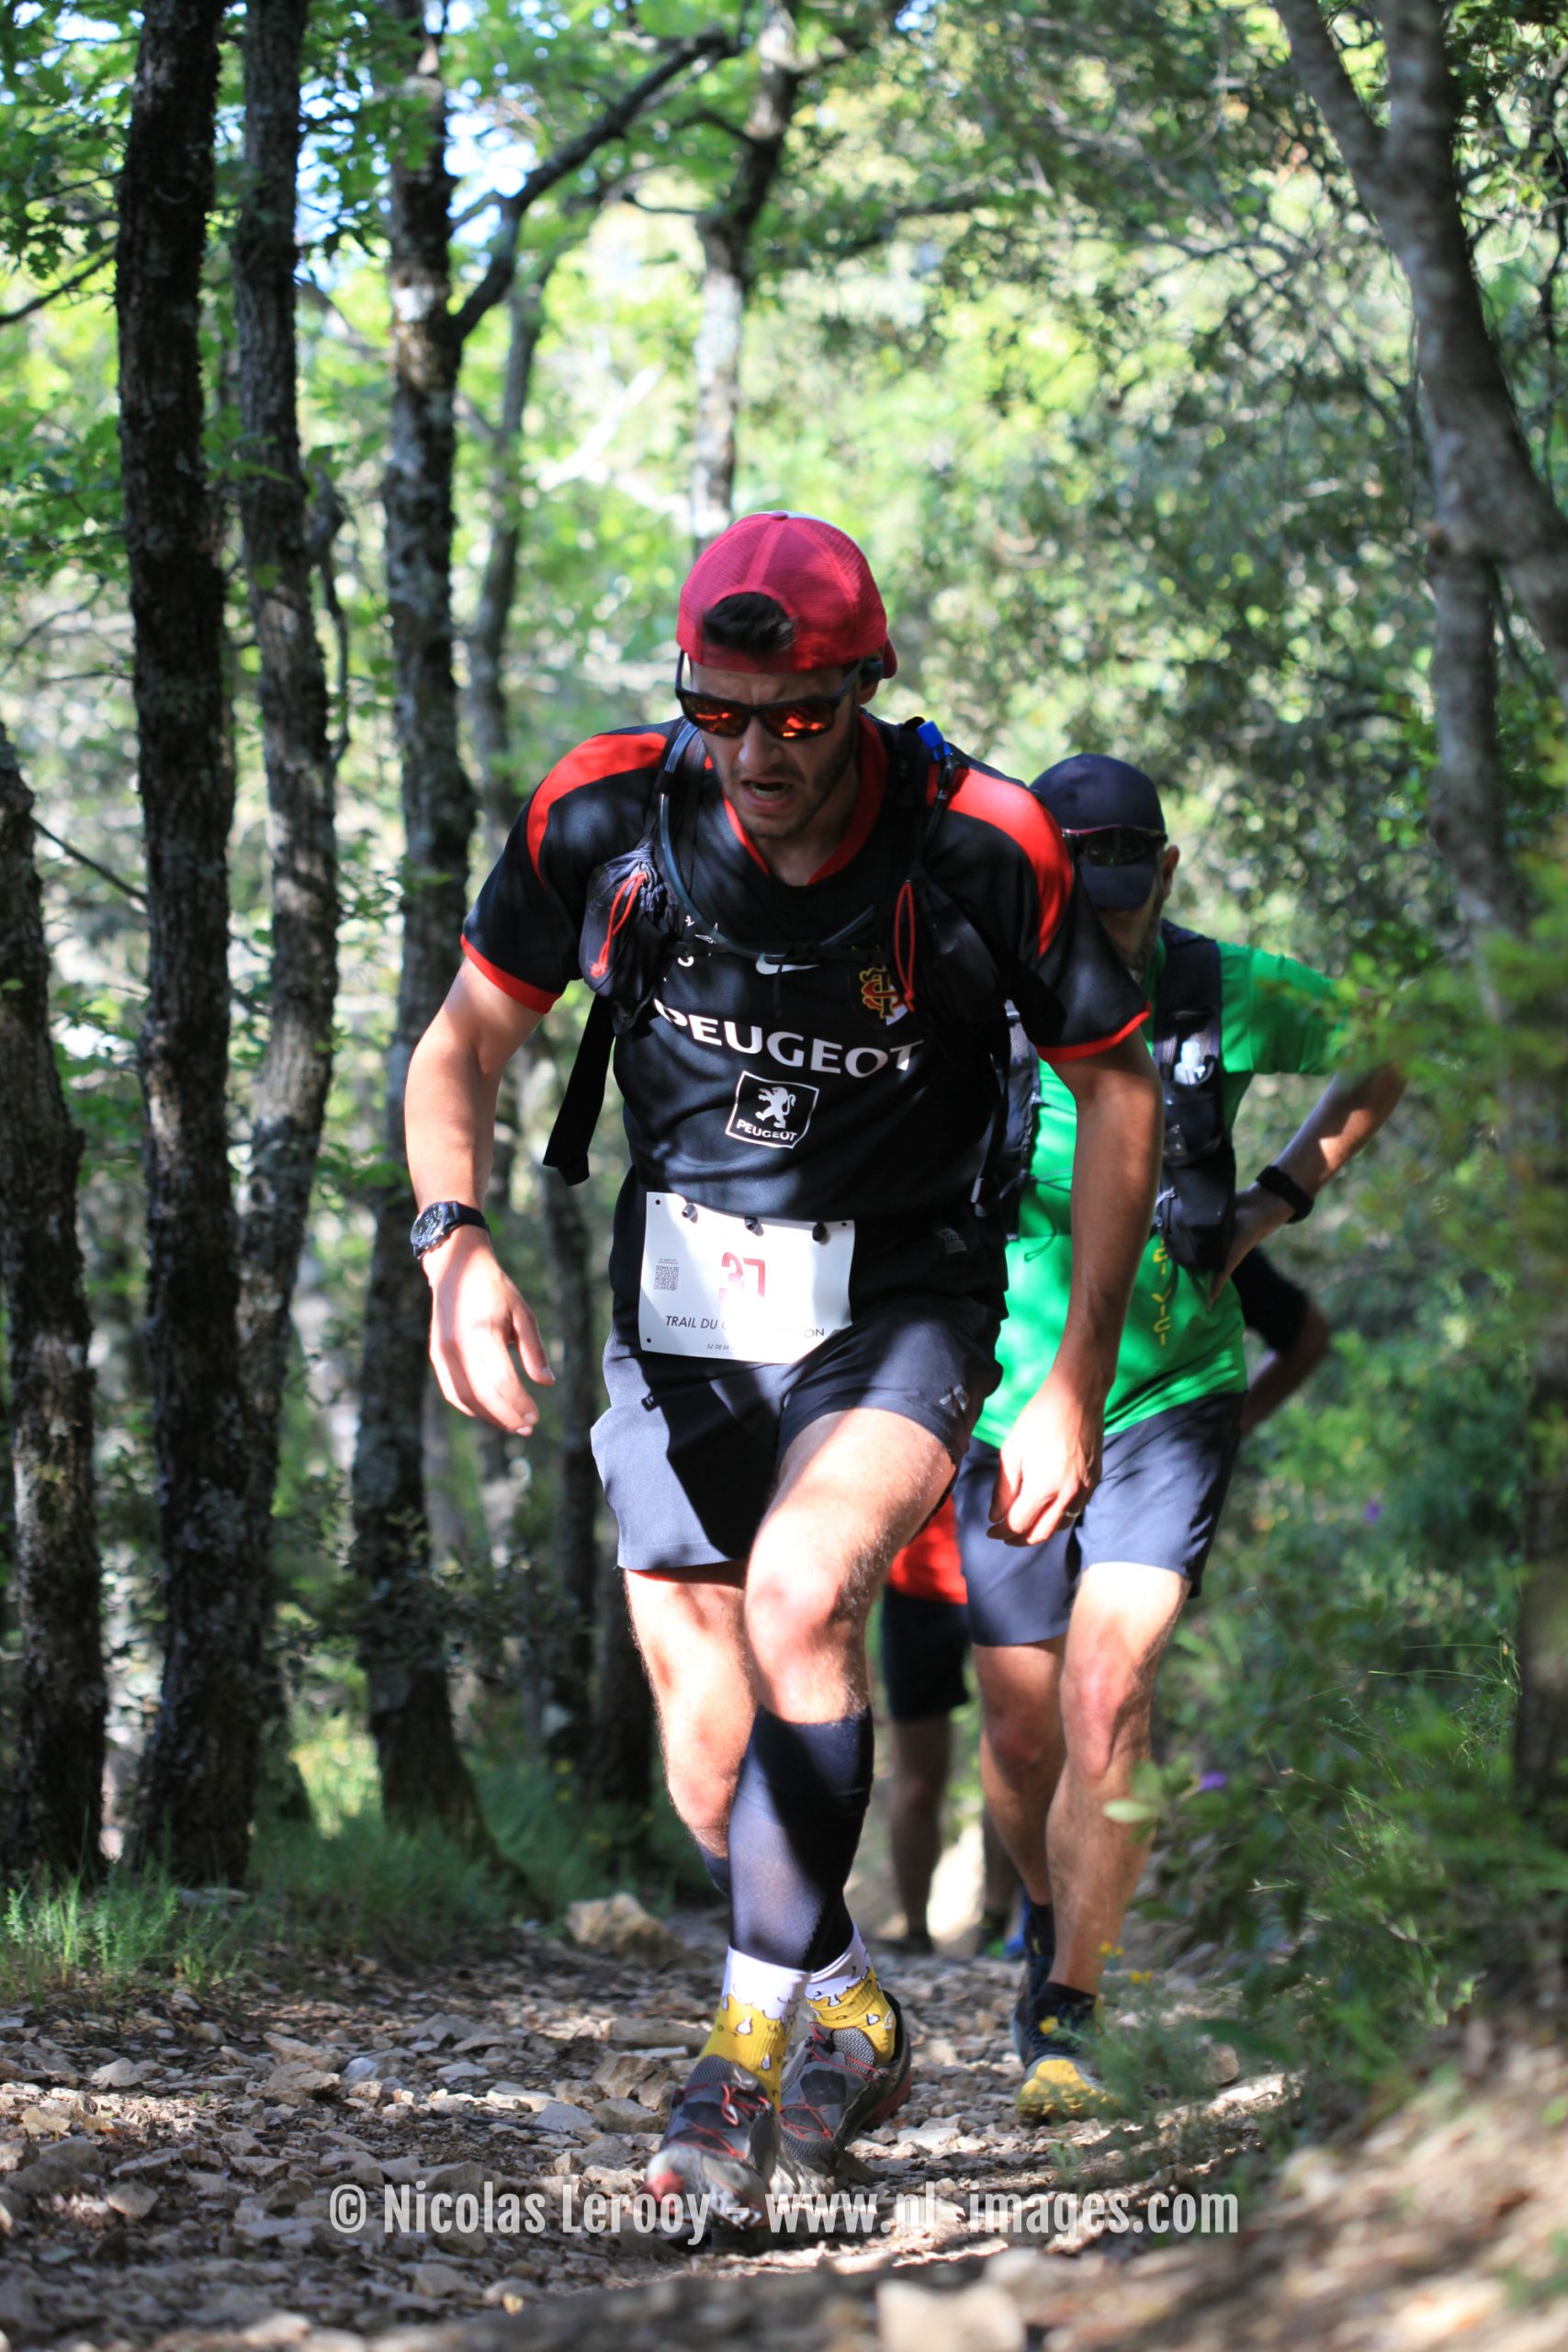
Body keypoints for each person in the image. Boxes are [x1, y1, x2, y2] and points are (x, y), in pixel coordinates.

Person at [401, 517, 1164, 2221]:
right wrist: (451, 1242)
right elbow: (464, 1038)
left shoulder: (980, 843)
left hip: (901, 1295)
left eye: (799, 717)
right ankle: (845, 2005)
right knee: (704, 1746)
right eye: (719, 711)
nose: (754, 752)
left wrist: (1075, 1374)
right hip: (683, 1300)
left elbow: (1118, 1090)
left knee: (805, 1595)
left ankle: (735, 2063)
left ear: (864, 690)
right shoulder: (601, 813)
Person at [955, 752, 1404, 2123]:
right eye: (1072, 904)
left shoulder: (1216, 990)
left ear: (1162, 871)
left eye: (1120, 899)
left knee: (1109, 1694)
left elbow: (1392, 1041)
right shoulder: (977, 979)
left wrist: (1278, 1198)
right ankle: (1050, 1909)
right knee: (1019, 1735)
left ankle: (1070, 2005)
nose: (1101, 932)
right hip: (1000, 1400)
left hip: (1170, 1392)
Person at [876, 1497, 1017, 1957]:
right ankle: (914, 1930)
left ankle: (995, 1924)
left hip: (1010, 1581)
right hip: (914, 1594)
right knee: (917, 1785)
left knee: (1013, 1763)